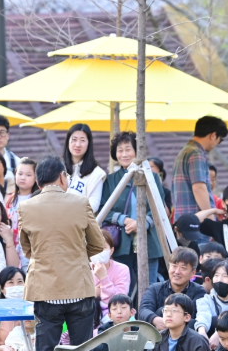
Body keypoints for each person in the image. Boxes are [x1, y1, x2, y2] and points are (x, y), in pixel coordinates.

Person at [17, 155, 106, 351]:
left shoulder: (26, 206)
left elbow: (27, 249)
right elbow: (97, 243)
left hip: (45, 292)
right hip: (79, 290)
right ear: (63, 177)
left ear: (39, 180)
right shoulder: (79, 202)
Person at [100, 132, 162, 294]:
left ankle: (147, 318)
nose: (124, 154)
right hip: (122, 242)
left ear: (137, 151)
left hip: (149, 240)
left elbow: (158, 207)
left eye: (128, 149)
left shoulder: (152, 177)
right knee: (123, 287)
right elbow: (104, 209)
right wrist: (126, 221)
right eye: (120, 150)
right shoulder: (111, 180)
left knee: (149, 287)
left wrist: (141, 224)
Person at [172, 116, 228, 216]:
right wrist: (209, 215)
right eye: (220, 140)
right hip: (196, 221)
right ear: (213, 135)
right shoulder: (196, 154)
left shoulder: (185, 151)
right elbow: (199, 188)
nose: (217, 144)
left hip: (184, 219)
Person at [138, 247, 206, 330]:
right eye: (174, 266)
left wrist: (171, 323)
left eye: (183, 268)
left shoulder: (199, 292)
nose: (177, 272)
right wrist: (155, 319)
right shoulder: (154, 289)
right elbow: (144, 310)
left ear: (193, 273)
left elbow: (196, 317)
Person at [62, 123, 106, 213]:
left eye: (82, 140)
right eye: (74, 139)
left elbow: (93, 205)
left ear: (88, 144)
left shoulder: (96, 173)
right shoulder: (57, 167)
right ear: (68, 142)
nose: (78, 144)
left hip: (79, 223)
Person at [6, 158, 40, 269]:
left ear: (36, 178)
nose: (23, 177)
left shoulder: (38, 199)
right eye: (20, 174)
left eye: (28, 175)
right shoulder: (10, 199)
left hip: (30, 247)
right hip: (11, 245)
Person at [91, 231, 130, 316]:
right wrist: (91, 293)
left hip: (114, 316)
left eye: (103, 247)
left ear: (111, 251)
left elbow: (120, 301)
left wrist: (104, 279)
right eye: (94, 247)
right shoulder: (83, 269)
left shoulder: (122, 269)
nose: (98, 251)